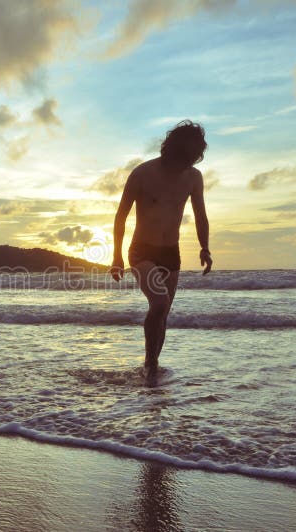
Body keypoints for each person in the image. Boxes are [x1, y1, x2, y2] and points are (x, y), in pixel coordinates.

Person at [110, 120, 212, 379]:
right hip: (142, 251)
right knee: (159, 302)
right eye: (189, 154)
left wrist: (205, 247)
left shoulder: (193, 177)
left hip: (171, 252)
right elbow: (121, 216)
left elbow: (200, 215)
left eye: (196, 155)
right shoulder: (143, 173)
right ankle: (150, 363)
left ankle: (152, 366)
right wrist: (116, 256)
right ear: (175, 149)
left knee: (163, 313)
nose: (192, 160)